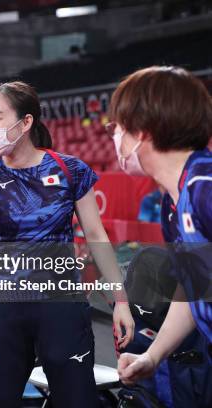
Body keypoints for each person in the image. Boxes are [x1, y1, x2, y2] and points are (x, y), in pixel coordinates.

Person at [0, 81, 134, 407]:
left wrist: (119, 301)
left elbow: (95, 236)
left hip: (61, 308)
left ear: (25, 123)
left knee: (77, 401)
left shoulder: (69, 169)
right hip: (2, 310)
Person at [107, 67, 211, 390]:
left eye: (120, 126)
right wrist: (152, 356)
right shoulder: (172, 204)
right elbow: (195, 287)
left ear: (144, 132)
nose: (115, 136)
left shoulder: (204, 188)